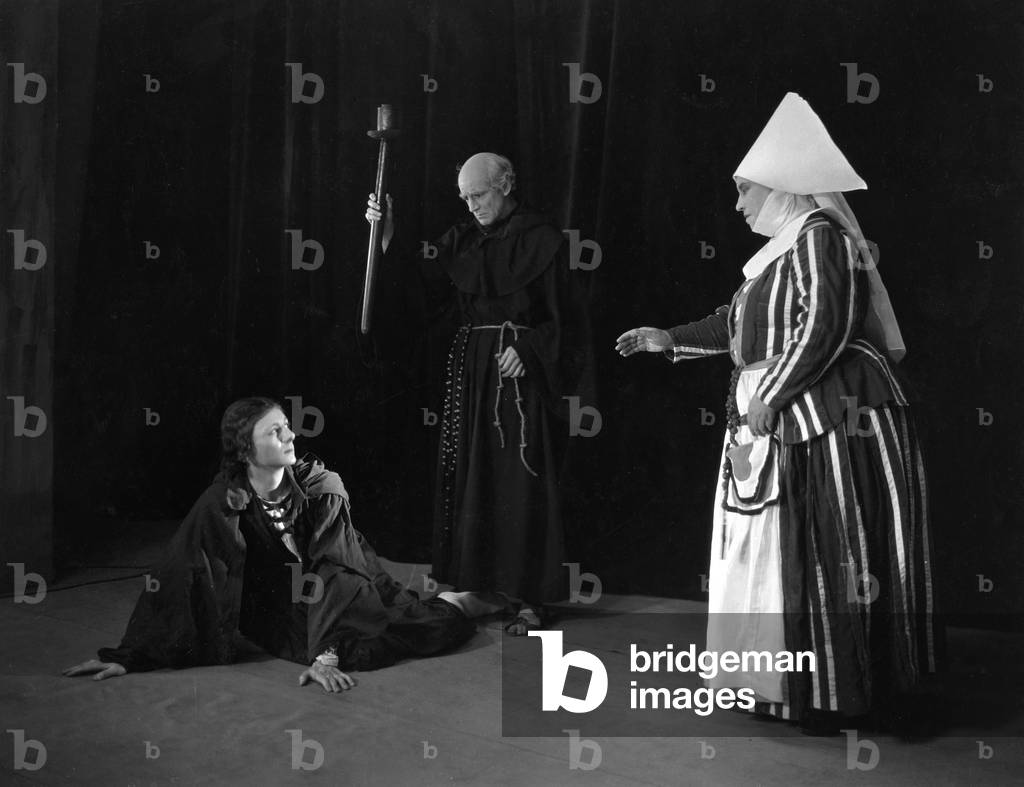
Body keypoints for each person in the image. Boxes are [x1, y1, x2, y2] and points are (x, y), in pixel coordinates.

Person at [616, 93, 935, 733]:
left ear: (784, 186)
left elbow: (825, 322)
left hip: (831, 417)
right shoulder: (776, 255)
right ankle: (786, 686)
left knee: (830, 545)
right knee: (785, 548)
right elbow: (738, 326)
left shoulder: (820, 237)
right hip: (782, 416)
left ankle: (841, 691)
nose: (738, 205)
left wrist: (773, 392)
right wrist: (668, 337)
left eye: (746, 190)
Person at [63, 397, 480, 692]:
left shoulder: (322, 488)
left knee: (416, 629)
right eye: (275, 431)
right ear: (246, 450)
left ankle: (461, 602)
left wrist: (327, 653)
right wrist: (130, 656)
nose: (290, 435)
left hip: (348, 585)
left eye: (287, 426)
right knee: (333, 651)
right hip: (284, 601)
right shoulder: (224, 498)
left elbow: (337, 568)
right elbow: (180, 567)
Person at [365, 153, 589, 635]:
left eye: (479, 195)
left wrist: (529, 349)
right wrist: (388, 233)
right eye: (464, 198)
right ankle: (482, 586)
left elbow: (568, 320)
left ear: (506, 184)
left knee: (519, 480)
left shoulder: (544, 239)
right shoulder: (462, 239)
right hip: (471, 371)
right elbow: (422, 289)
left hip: (518, 376)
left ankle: (530, 598)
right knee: (475, 474)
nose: (472, 207)